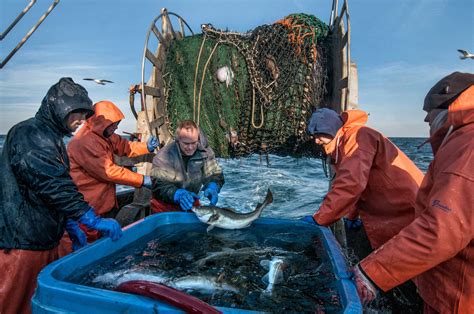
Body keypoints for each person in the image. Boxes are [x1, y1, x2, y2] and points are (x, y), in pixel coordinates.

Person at [353, 72, 474, 312]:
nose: (426, 118)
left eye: (429, 112)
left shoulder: (468, 146)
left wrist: (370, 273)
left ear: (449, 108)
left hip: (460, 297)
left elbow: (442, 230)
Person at [0, 78, 122, 314]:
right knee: (12, 305)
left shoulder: (51, 137)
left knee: (36, 303)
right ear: (59, 108)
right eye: (76, 113)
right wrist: (89, 218)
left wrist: (68, 221)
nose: (81, 121)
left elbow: (47, 188)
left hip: (43, 237)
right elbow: (52, 184)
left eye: (85, 115)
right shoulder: (31, 133)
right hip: (20, 243)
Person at [304, 108, 424, 250]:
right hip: (390, 213)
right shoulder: (342, 144)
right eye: (314, 136)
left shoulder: (358, 137)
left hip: (407, 210)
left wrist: (319, 219)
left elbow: (351, 184)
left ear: (331, 129)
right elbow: (359, 182)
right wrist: (352, 215)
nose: (316, 141)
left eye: (319, 134)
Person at [58, 100, 158, 253]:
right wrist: (142, 179)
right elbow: (108, 171)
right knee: (81, 251)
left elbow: (126, 146)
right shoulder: (84, 141)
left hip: (101, 206)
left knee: (98, 249)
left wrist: (146, 146)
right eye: (114, 124)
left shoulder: (105, 135)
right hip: (86, 209)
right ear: (100, 122)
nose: (117, 127)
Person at [151, 120, 224, 212]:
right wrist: (177, 195)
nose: (190, 147)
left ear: (198, 139)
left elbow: (215, 174)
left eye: (194, 143)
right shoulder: (163, 156)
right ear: (178, 141)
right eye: (186, 143)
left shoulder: (206, 153)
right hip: (164, 206)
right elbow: (159, 186)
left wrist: (213, 186)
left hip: (191, 202)